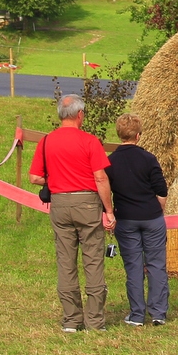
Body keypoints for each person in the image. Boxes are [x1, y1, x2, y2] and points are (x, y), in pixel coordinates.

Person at [28, 95, 115, 332]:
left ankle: (71, 319)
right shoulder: (90, 141)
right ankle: (94, 320)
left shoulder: (46, 142)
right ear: (80, 115)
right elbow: (100, 178)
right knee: (93, 260)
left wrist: (56, 179)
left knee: (66, 262)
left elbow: (35, 177)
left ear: (60, 115)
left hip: (59, 204)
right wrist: (109, 210)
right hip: (87, 203)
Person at [105, 113, 169, 326]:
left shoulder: (110, 161)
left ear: (119, 134)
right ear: (138, 136)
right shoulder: (149, 159)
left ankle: (137, 315)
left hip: (126, 219)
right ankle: (158, 313)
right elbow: (161, 190)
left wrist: (109, 213)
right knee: (156, 265)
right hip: (152, 218)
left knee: (133, 267)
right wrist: (158, 209)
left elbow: (105, 190)